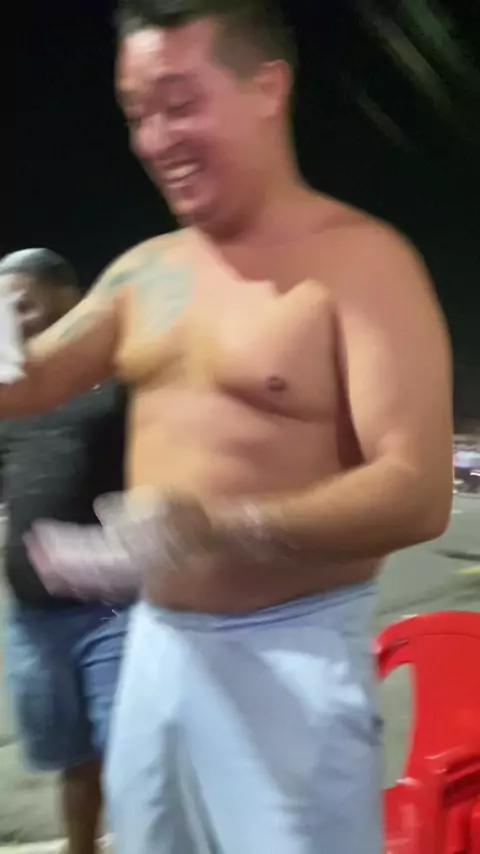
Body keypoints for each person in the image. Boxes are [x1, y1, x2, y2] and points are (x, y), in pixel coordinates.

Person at [1, 0, 453, 850]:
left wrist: (221, 524)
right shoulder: (144, 272)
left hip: (288, 655)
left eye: (179, 104)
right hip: (156, 646)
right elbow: (24, 384)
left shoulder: (362, 263)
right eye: (137, 114)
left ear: (266, 89)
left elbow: (416, 491)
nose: (154, 139)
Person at [0, 248, 129, 854]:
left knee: (129, 745)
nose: (12, 319)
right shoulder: (11, 399)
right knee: (71, 757)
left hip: (116, 608)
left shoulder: (119, 380)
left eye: (22, 304)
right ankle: (83, 848)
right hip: (32, 618)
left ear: (70, 299)